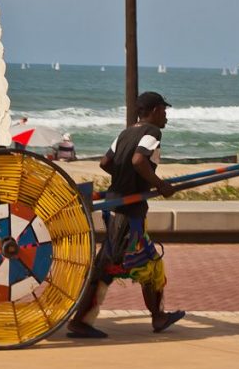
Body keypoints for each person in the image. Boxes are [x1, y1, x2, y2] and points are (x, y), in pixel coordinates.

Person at [66, 91, 185, 339]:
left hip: (115, 206)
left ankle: (85, 320)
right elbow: (139, 159)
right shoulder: (152, 132)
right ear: (153, 111)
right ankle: (156, 317)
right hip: (129, 213)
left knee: (115, 264)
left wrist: (123, 181)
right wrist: (159, 184)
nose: (166, 116)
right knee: (145, 264)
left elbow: (105, 162)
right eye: (164, 111)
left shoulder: (125, 132)